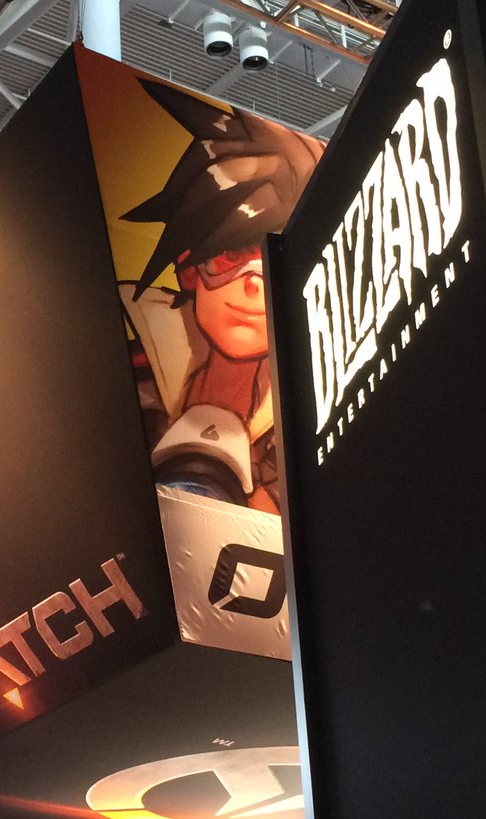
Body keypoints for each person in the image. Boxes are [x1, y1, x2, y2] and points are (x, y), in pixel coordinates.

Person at [121, 80, 323, 513]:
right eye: (231, 255)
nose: (253, 285)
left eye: (273, 268)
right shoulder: (129, 376)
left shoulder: (316, 413)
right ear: (189, 268)